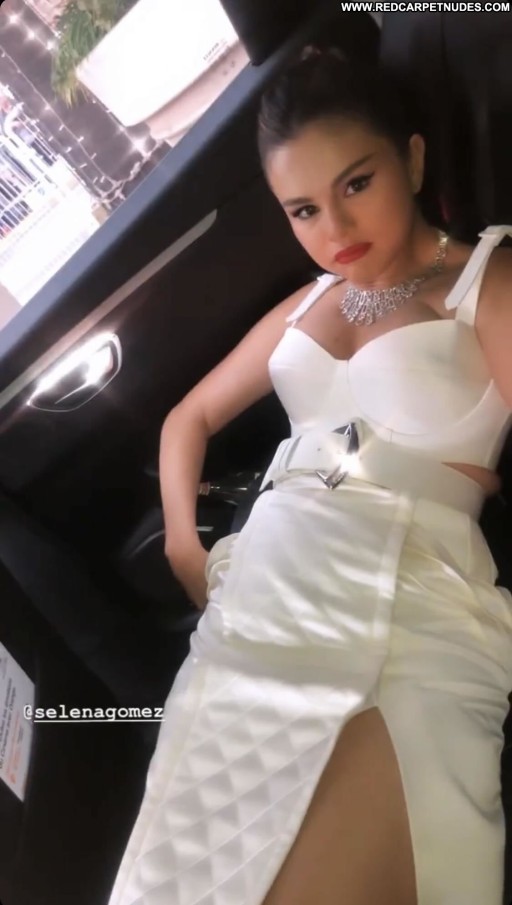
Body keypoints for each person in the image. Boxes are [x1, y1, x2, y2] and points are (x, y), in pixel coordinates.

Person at [108, 49, 512, 905]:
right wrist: (184, 544)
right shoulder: (305, 305)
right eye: (303, 209)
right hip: (260, 596)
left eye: (356, 183)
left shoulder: (485, 281)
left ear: (412, 159)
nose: (334, 227)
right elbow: (187, 418)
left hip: (408, 595)